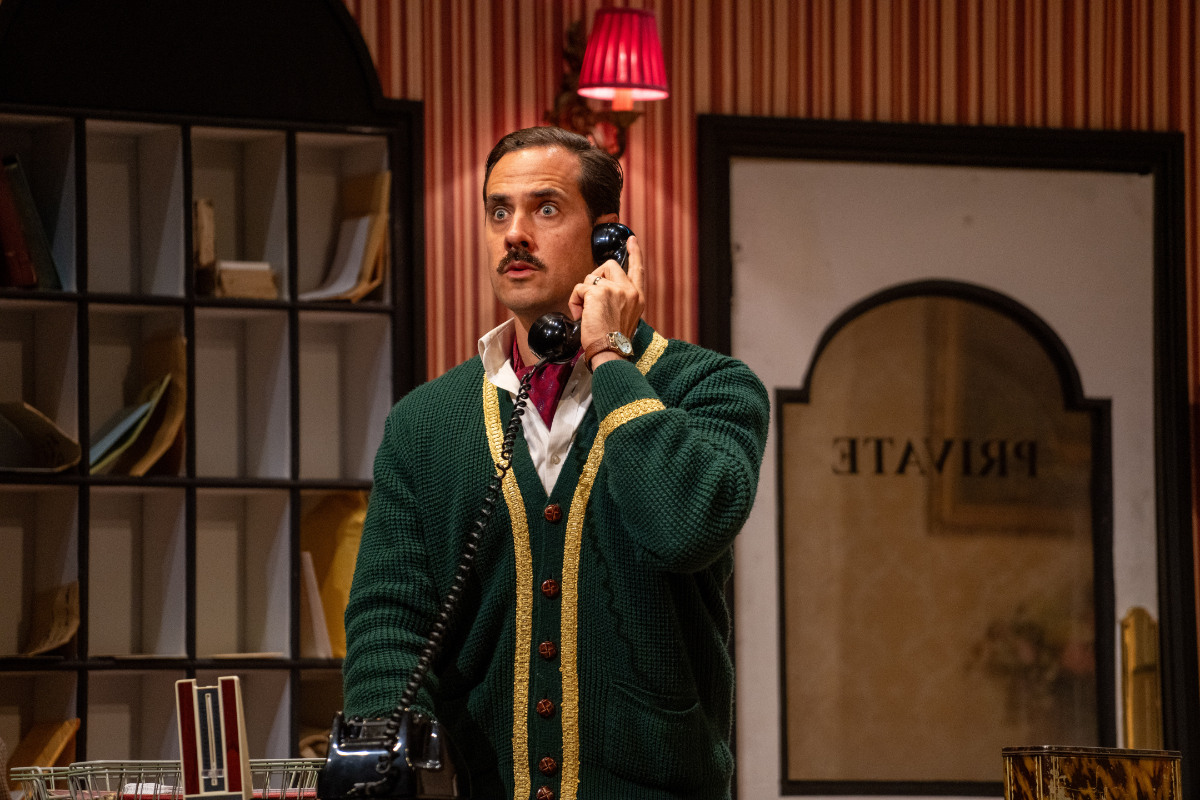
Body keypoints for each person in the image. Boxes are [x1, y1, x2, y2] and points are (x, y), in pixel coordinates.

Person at [343, 126, 769, 800]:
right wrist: (385, 760)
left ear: (608, 240)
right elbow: (389, 616)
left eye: (545, 209)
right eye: (498, 211)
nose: (514, 234)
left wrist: (610, 356)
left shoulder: (711, 388)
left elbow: (684, 528)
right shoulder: (423, 422)